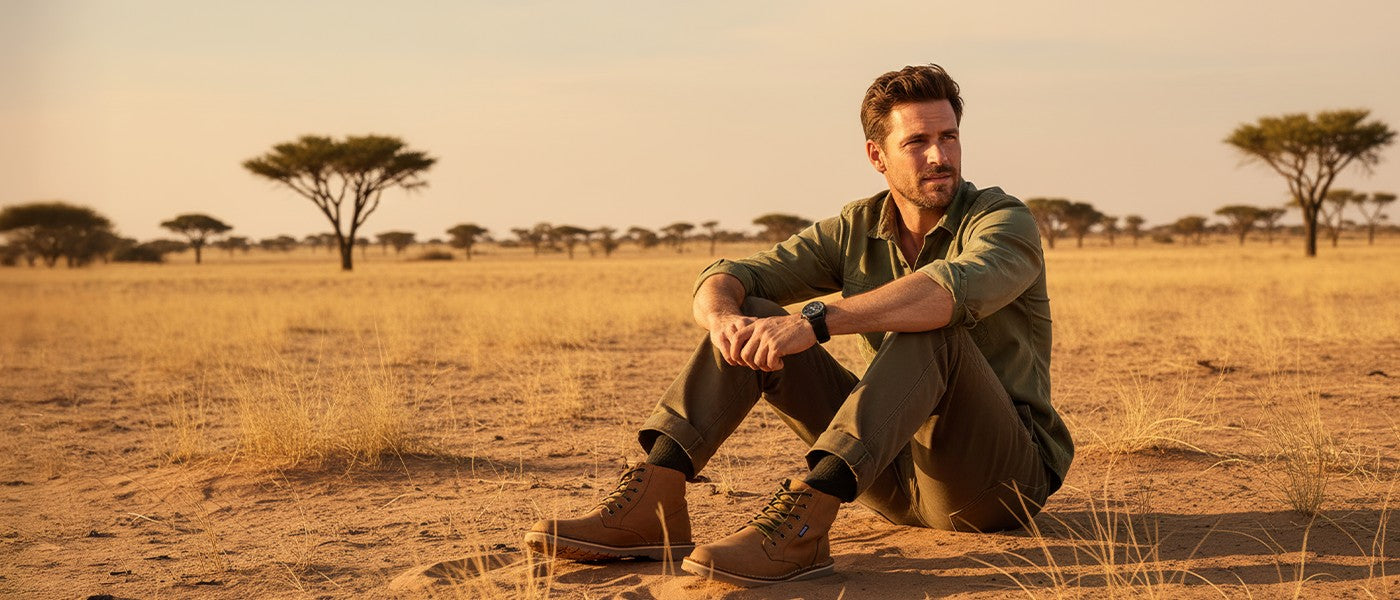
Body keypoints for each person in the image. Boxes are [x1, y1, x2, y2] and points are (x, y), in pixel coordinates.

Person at [524, 63, 1073, 587]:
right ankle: (655, 502)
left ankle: (804, 526)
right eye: (917, 143)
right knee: (756, 315)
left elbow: (945, 292)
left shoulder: (1003, 220)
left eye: (949, 137)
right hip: (889, 476)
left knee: (932, 325)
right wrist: (722, 320)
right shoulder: (857, 227)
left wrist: (817, 321)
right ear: (877, 156)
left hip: (998, 483)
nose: (939, 156)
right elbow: (731, 273)